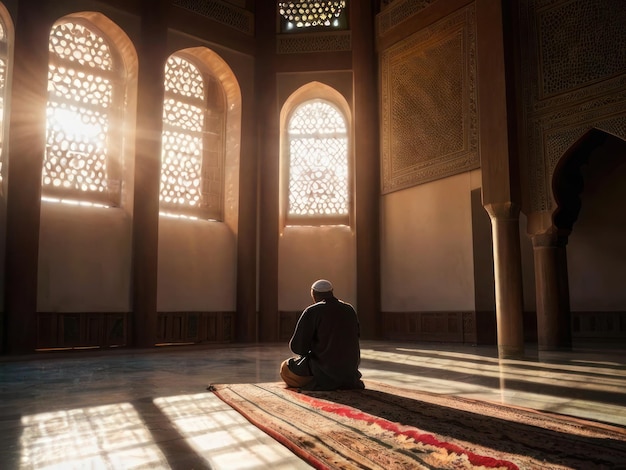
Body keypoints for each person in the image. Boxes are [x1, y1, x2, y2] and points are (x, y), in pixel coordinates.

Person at [280, 279, 365, 391]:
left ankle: (323, 381)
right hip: (349, 373)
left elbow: (298, 348)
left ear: (313, 294)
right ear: (332, 292)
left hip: (322, 370)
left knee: (285, 369)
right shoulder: (349, 309)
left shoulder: (312, 311)